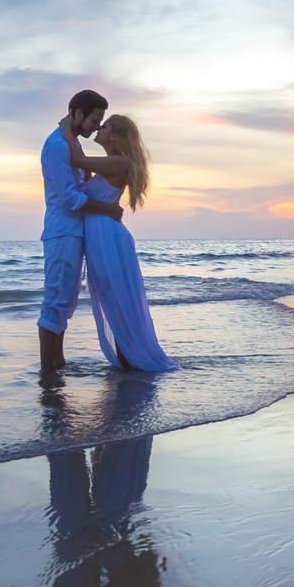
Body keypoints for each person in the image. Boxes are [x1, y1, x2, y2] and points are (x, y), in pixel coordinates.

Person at [58, 113, 178, 371]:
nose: (99, 128)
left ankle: (131, 361)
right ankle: (129, 360)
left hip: (107, 237)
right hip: (102, 234)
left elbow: (76, 160)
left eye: (104, 126)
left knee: (115, 298)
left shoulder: (117, 162)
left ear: (113, 136)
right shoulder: (111, 163)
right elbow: (84, 174)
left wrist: (67, 129)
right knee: (112, 297)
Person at [38, 90, 123, 381]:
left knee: (67, 301)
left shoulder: (72, 143)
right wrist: (109, 209)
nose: (97, 127)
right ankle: (47, 371)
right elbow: (70, 198)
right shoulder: (57, 146)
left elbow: (82, 184)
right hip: (63, 231)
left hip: (74, 231)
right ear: (78, 114)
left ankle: (58, 362)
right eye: (95, 120)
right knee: (56, 299)